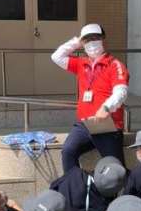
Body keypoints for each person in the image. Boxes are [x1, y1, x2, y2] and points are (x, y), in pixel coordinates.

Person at [51, 23, 129, 173]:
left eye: (95, 38)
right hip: (84, 125)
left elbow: (121, 92)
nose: (91, 43)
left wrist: (106, 107)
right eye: (87, 40)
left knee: (116, 168)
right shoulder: (81, 63)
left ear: (103, 39)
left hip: (108, 125)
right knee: (68, 151)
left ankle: (119, 189)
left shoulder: (115, 65)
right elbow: (56, 56)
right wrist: (77, 42)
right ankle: (73, 184)